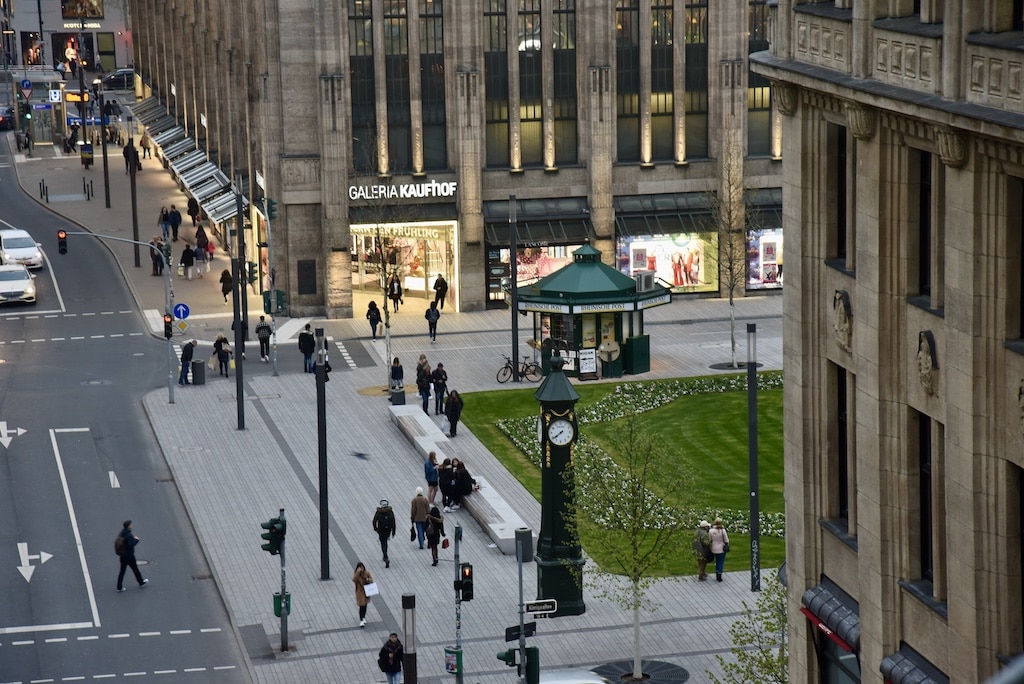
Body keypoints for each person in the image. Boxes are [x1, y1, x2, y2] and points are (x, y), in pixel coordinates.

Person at [116, 520, 149, 592]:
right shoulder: (128, 535)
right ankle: (141, 582)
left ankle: (119, 586)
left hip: (123, 555)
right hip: (129, 556)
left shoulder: (122, 533)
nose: (132, 525)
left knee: (122, 571)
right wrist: (136, 540)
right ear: (128, 526)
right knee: (135, 569)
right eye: (130, 524)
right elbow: (131, 545)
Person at [373, 499, 397, 568]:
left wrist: (375, 529)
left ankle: (385, 555)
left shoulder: (378, 512)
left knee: (383, 542)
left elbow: (374, 521)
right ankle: (385, 555)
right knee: (385, 541)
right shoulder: (390, 512)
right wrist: (393, 531)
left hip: (381, 530)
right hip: (388, 530)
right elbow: (393, 521)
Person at [352, 562, 374, 627]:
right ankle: (361, 619)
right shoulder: (356, 575)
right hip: (360, 592)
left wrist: (368, 580)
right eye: (360, 568)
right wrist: (358, 572)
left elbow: (371, 579)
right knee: (361, 606)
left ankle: (363, 617)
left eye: (362, 567)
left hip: (366, 591)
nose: (361, 569)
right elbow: (354, 580)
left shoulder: (366, 573)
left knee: (365, 605)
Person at [709, 517, 730, 582]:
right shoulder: (722, 531)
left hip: (714, 548)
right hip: (721, 548)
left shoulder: (711, 531)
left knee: (717, 561)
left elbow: (710, 540)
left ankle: (717, 573)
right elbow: (726, 540)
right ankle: (719, 576)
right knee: (720, 562)